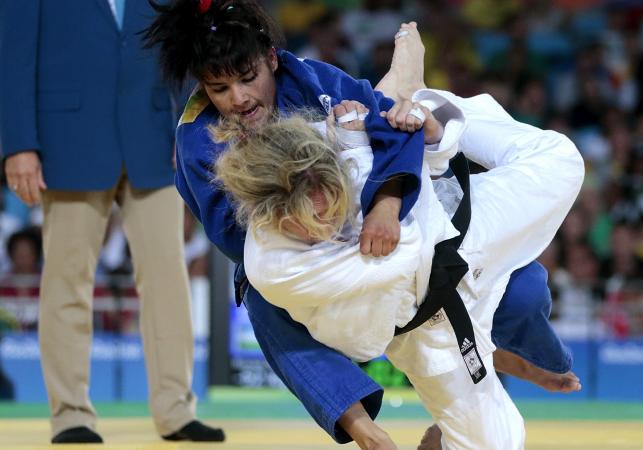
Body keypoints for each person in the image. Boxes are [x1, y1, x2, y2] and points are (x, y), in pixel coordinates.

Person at [144, 1, 579, 448]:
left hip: (385, 202)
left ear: (271, 58)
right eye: (219, 88)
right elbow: (235, 237)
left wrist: (385, 206)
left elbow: (392, 132)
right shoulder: (199, 140)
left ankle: (421, 107)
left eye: (247, 78)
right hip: (299, 244)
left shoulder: (313, 78)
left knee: (522, 289)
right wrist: (317, 223)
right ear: (202, 87)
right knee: (261, 294)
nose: (238, 98)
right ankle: (361, 425)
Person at [215, 89, 585, 449]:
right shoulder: (272, 266)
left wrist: (427, 129)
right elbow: (405, 249)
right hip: (424, 326)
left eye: (333, 206)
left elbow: (405, 140)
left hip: (459, 232)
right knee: (500, 444)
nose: (326, 225)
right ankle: (489, 351)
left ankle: (429, 101)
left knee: (560, 158)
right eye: (311, 223)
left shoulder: (325, 140)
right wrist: (364, 156)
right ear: (273, 216)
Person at [0, 0, 223, 443]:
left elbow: (186, 49)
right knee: (66, 279)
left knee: (168, 277)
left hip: (155, 138)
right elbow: (12, 56)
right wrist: (19, 145)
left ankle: (176, 411)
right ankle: (70, 415)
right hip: (68, 140)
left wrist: (189, 128)